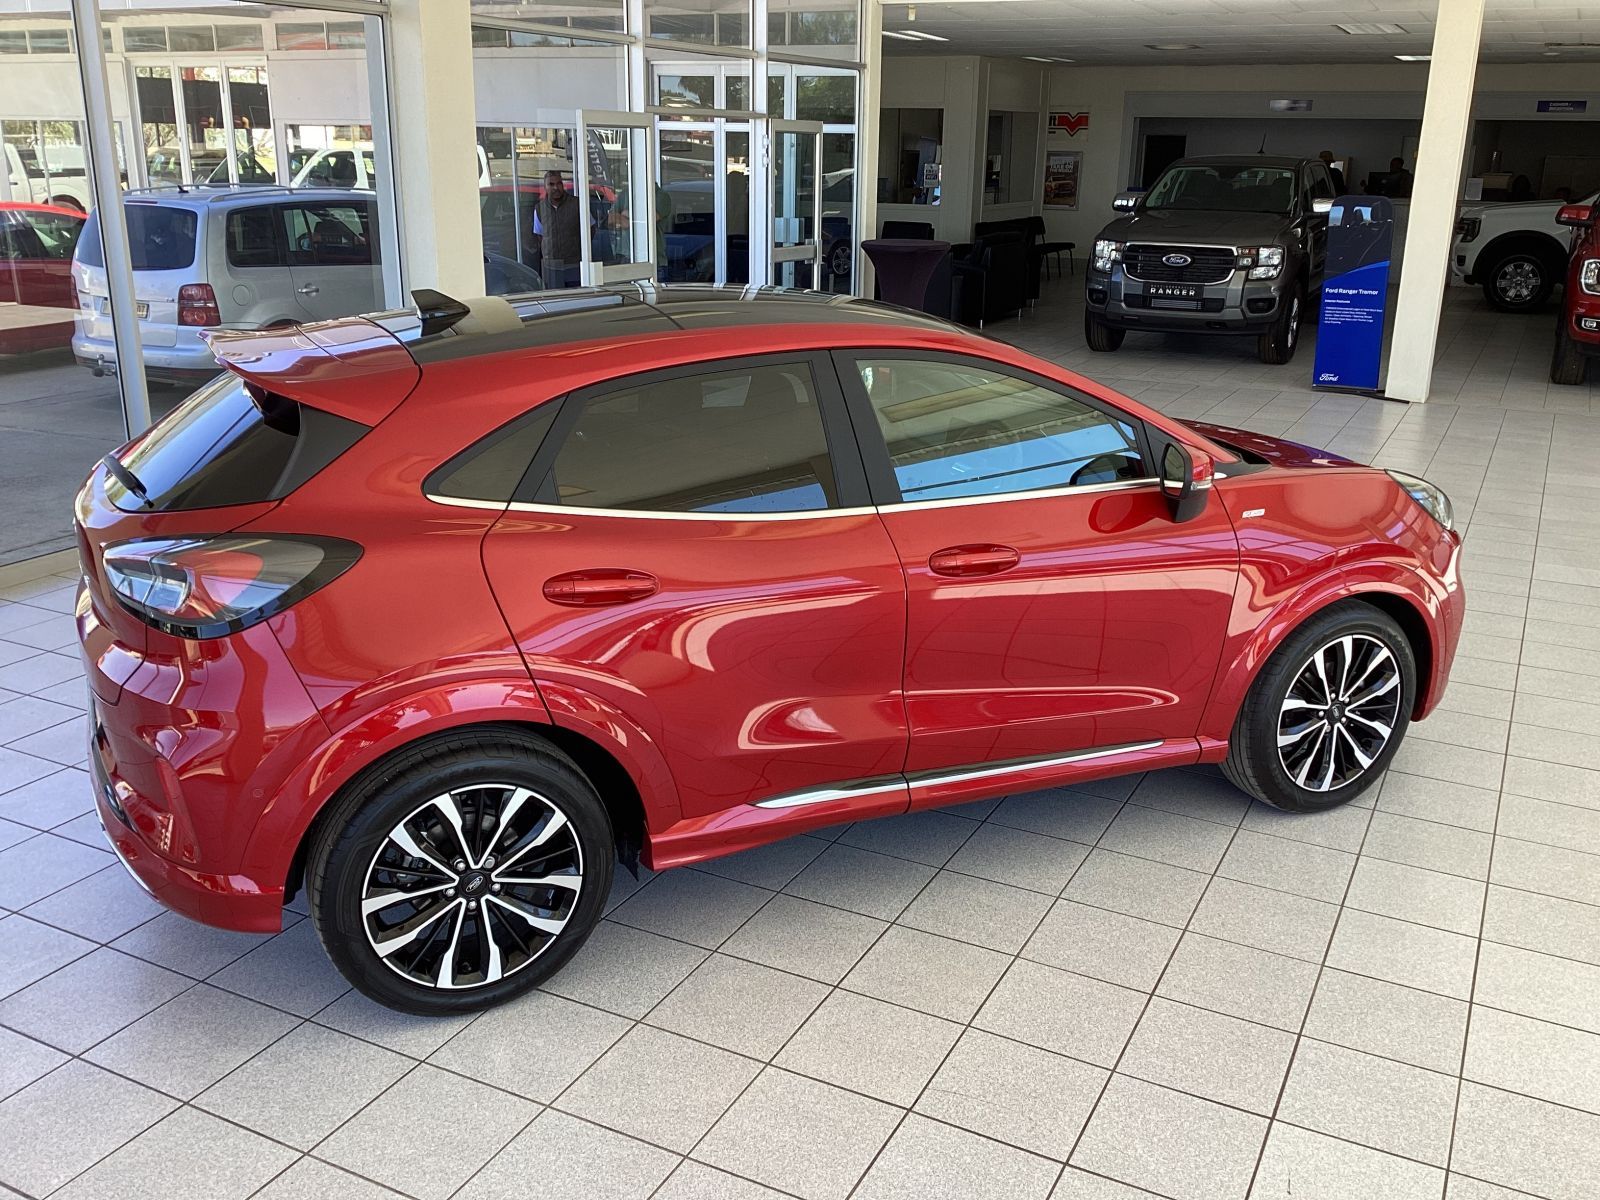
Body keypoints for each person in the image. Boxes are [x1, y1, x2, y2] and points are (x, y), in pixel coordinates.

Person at [532, 170, 587, 288]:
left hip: (574, 264)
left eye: (559, 183)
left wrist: (575, 246)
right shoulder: (540, 208)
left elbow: (590, 229)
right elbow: (539, 236)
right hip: (551, 266)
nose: (556, 187)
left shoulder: (577, 204)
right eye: (551, 184)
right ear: (545, 187)